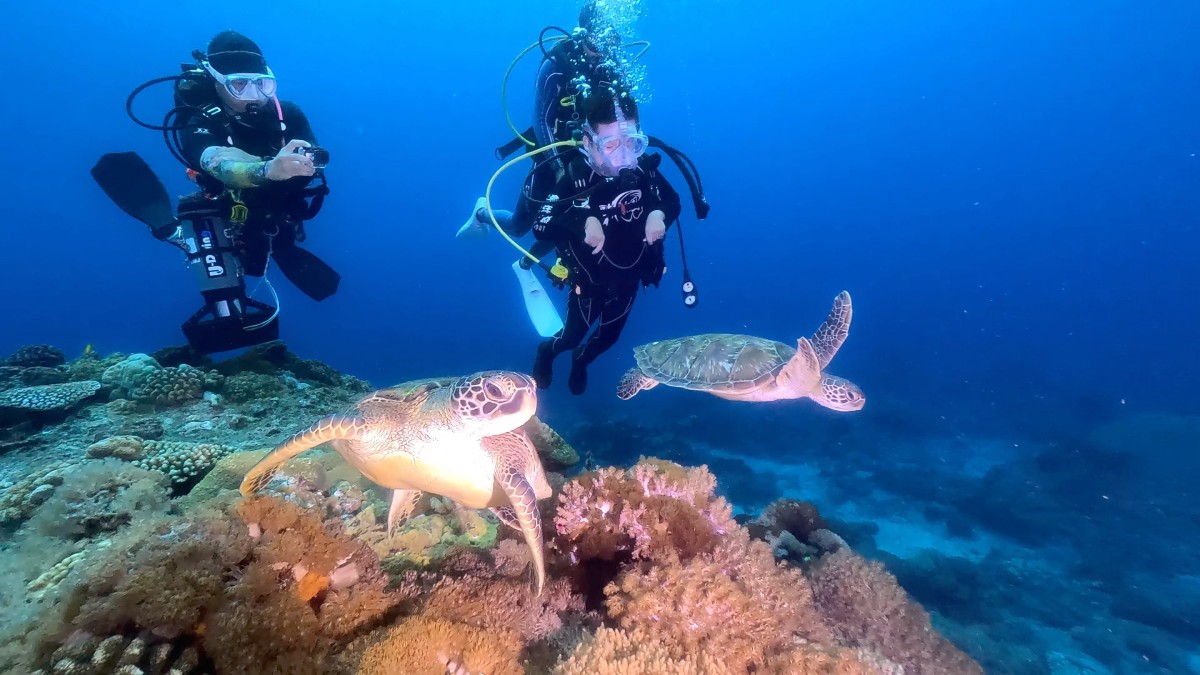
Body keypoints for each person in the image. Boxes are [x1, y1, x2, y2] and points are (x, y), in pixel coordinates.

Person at [92, 30, 339, 354]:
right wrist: (266, 170)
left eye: (263, 84)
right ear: (218, 81)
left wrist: (302, 164)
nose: (254, 95)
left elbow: (311, 152)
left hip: (276, 212)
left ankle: (270, 253)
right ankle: (172, 231)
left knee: (301, 265)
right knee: (221, 286)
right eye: (240, 84)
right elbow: (216, 159)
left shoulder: (287, 114)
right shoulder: (197, 120)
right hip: (226, 211)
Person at [530, 86, 681, 395]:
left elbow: (674, 201)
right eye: (612, 144)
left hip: (629, 279)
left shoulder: (645, 173)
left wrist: (658, 215)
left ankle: (581, 362)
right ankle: (548, 351)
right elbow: (541, 226)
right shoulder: (575, 178)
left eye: (633, 142)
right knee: (571, 336)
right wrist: (582, 220)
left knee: (608, 339)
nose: (625, 156)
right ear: (589, 143)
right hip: (589, 284)